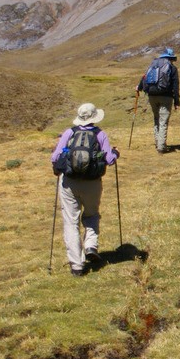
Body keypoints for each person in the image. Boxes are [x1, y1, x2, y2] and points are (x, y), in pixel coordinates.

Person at [50, 103, 119, 276]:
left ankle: (77, 266)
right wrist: (116, 153)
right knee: (92, 214)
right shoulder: (100, 134)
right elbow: (109, 160)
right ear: (95, 117)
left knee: (71, 222)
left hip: (69, 182)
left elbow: (55, 157)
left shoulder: (69, 133)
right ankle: (90, 245)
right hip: (92, 183)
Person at [137, 47, 180, 154]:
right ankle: (161, 147)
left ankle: (158, 143)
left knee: (156, 119)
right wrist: (177, 101)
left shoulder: (153, 65)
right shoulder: (172, 68)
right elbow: (175, 85)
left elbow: (144, 78)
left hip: (151, 95)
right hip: (166, 96)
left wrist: (139, 87)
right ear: (171, 58)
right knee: (163, 121)